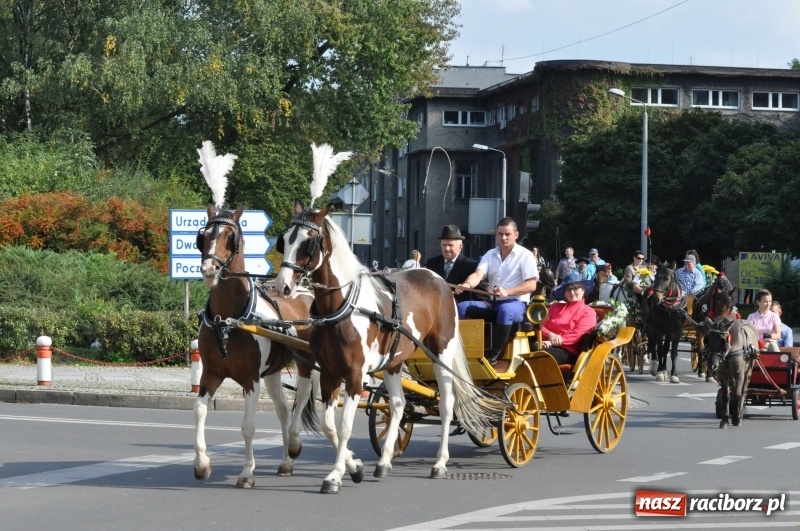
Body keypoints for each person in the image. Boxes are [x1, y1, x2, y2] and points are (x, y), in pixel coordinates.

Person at [455, 217, 539, 365]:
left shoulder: (526, 255)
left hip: (516, 304)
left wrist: (507, 291)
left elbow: (532, 285)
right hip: (492, 304)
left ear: (516, 235)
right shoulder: (490, 254)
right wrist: (467, 284)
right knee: (462, 307)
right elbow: (478, 274)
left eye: (507, 234)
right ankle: (463, 351)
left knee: (505, 310)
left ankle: (492, 356)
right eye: (500, 234)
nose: (503, 238)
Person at [539, 271, 598, 365]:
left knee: (535, 349)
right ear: (564, 294)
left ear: (583, 291)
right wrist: (549, 334)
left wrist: (553, 342)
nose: (572, 292)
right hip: (545, 343)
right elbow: (541, 325)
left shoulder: (588, 312)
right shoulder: (554, 307)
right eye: (568, 290)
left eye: (575, 289)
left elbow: (577, 334)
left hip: (568, 350)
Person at [425, 225, 478, 304]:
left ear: (461, 247)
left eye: (450, 245)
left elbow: (477, 294)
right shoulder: (432, 263)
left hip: (459, 309)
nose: (447, 249)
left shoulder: (470, 265)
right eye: (444, 245)